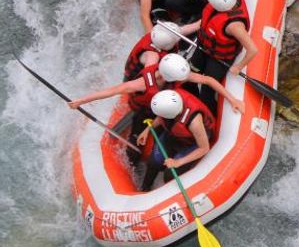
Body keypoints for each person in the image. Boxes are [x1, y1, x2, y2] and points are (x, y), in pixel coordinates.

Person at [69, 54, 243, 142]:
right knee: (136, 143)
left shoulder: (175, 74)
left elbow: (208, 80)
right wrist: (81, 101)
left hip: (169, 106)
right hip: (146, 110)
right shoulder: (141, 84)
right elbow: (111, 91)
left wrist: (232, 99)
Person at [190, 0, 258, 112]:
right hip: (204, 46)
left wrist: (238, 67)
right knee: (192, 70)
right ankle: (189, 95)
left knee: (207, 92)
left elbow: (253, 50)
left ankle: (208, 113)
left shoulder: (234, 26)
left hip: (220, 58)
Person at [137, 89, 216, 191]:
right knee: (154, 162)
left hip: (192, 143)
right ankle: (145, 188)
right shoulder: (170, 99)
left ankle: (165, 194)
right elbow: (161, 117)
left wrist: (178, 162)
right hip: (174, 136)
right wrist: (148, 129)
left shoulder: (194, 122)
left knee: (170, 174)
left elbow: (204, 148)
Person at [123, 21, 195, 81]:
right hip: (134, 79)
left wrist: (201, 22)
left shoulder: (159, 35)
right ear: (168, 46)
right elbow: (149, 78)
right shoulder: (152, 57)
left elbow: (183, 30)